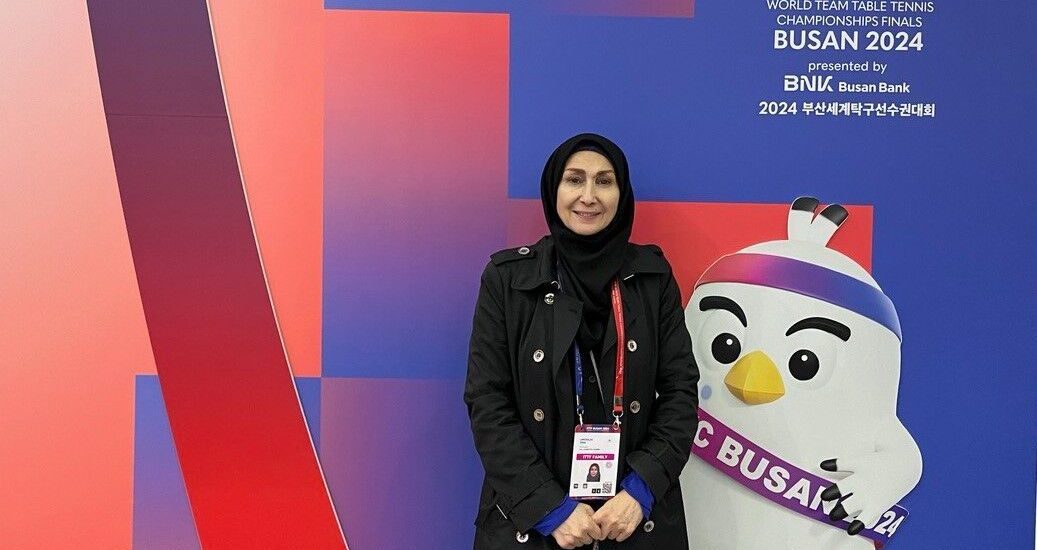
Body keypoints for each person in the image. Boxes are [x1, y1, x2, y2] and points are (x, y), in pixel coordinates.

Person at [465, 133, 699, 549]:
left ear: (621, 193)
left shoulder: (652, 278)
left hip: (630, 521)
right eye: (574, 180)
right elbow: (487, 402)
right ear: (553, 189)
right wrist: (549, 508)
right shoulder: (507, 279)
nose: (588, 196)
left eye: (604, 181)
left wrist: (641, 490)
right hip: (533, 525)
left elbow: (680, 392)